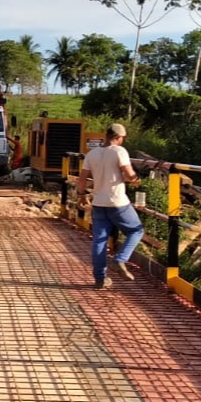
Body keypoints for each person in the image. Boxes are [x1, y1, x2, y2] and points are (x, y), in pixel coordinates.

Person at [77, 123, 145, 289]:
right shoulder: (119, 151)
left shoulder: (92, 154)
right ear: (119, 138)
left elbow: (82, 178)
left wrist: (81, 195)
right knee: (136, 230)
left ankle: (100, 279)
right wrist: (137, 180)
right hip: (118, 202)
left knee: (99, 241)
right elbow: (129, 174)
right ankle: (120, 259)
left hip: (98, 202)